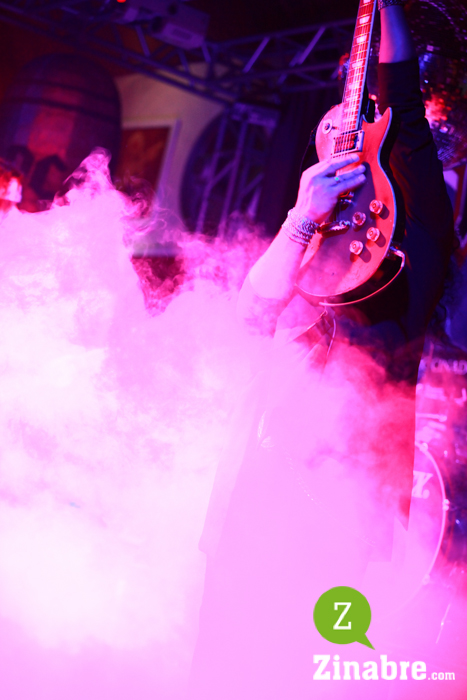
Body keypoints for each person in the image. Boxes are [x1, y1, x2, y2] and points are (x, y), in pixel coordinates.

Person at [188, 2, 454, 699]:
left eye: (360, 136)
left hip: (346, 511)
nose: (346, 147)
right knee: (220, 669)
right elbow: (251, 312)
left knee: (305, 674)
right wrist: (300, 221)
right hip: (254, 501)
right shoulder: (304, 246)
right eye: (332, 142)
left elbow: (401, 105)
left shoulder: (416, 245)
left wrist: (382, 5)